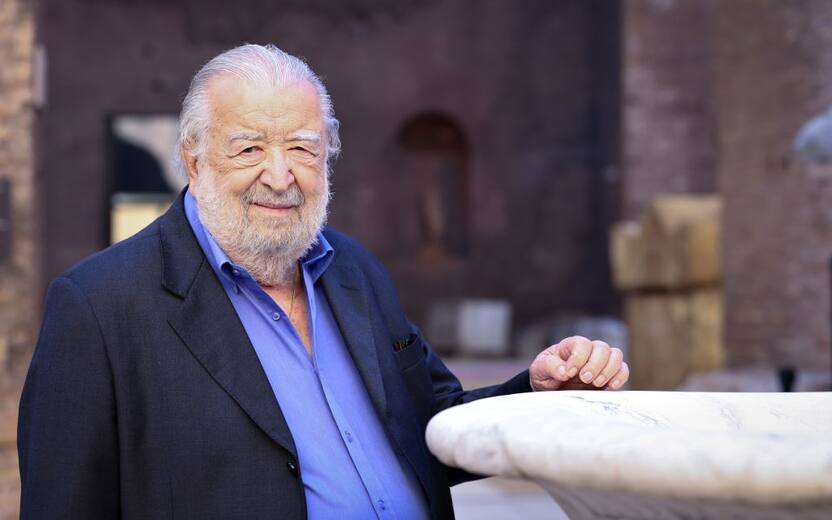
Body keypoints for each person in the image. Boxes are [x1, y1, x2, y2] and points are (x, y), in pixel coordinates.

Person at [18, 44, 629, 519]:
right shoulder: (99, 308)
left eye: (304, 149)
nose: (280, 176)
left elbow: (431, 424)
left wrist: (535, 389)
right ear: (194, 159)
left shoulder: (353, 270)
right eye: (250, 148)